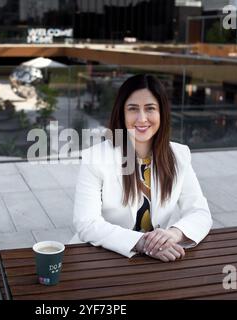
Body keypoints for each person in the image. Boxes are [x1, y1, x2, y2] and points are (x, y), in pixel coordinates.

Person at [71, 74, 212, 262]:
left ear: (162, 112)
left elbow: (200, 212)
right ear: (121, 113)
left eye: (150, 108)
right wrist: (142, 243)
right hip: (102, 257)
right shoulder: (95, 158)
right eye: (133, 109)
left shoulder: (179, 155)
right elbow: (86, 223)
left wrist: (175, 234)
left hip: (156, 261)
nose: (142, 118)